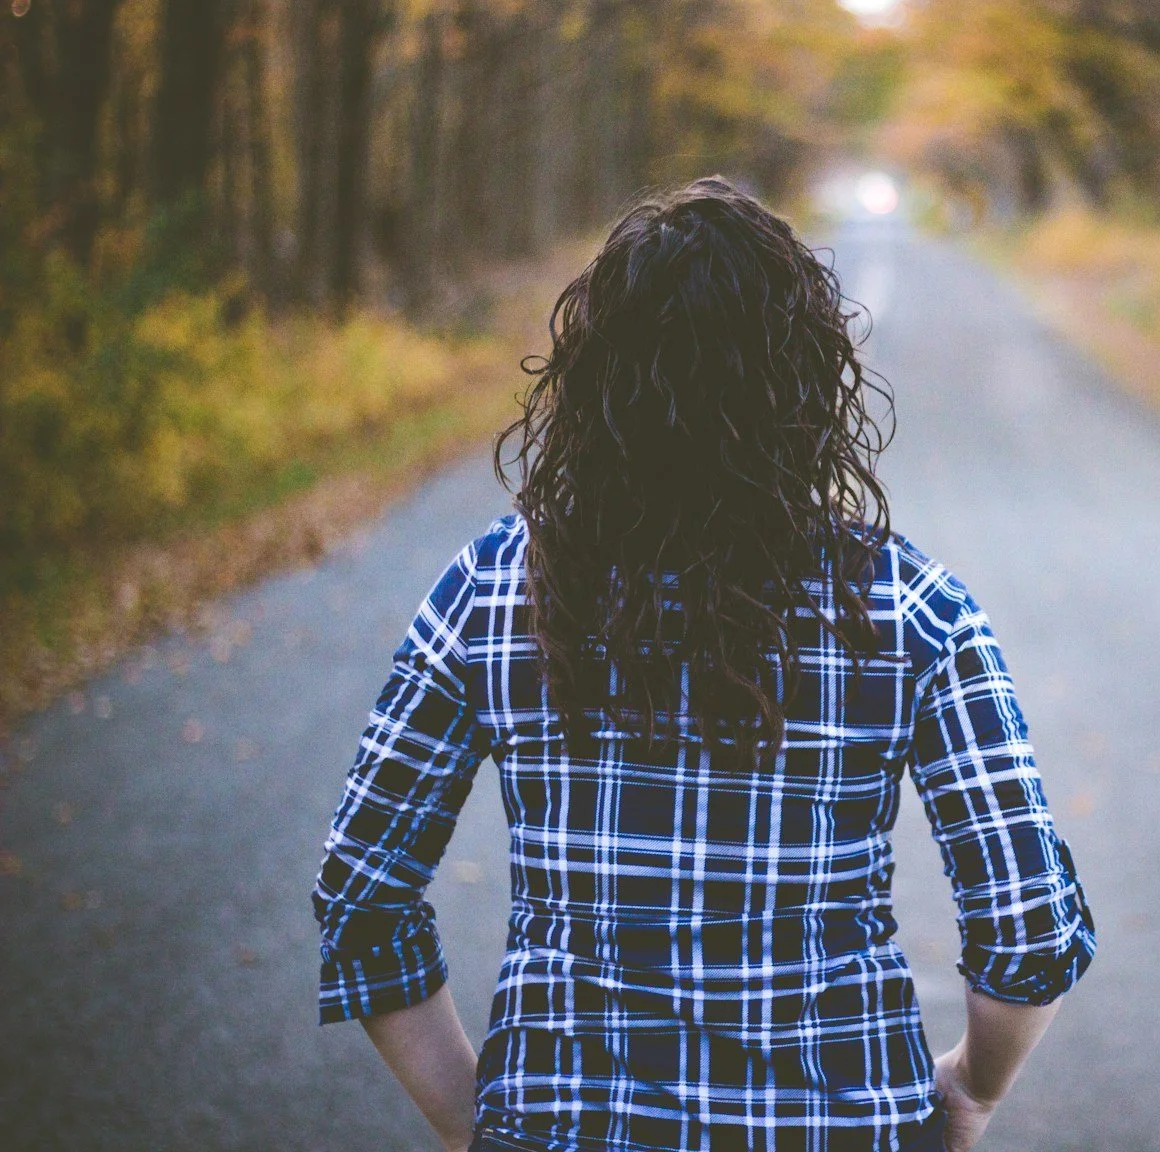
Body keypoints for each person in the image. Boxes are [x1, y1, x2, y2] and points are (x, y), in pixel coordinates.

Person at [311, 178, 1095, 1152]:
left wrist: (478, 1121)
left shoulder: (493, 589)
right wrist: (973, 1087)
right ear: (808, 375)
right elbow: (1027, 924)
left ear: (593, 372)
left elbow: (361, 886)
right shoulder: (912, 609)